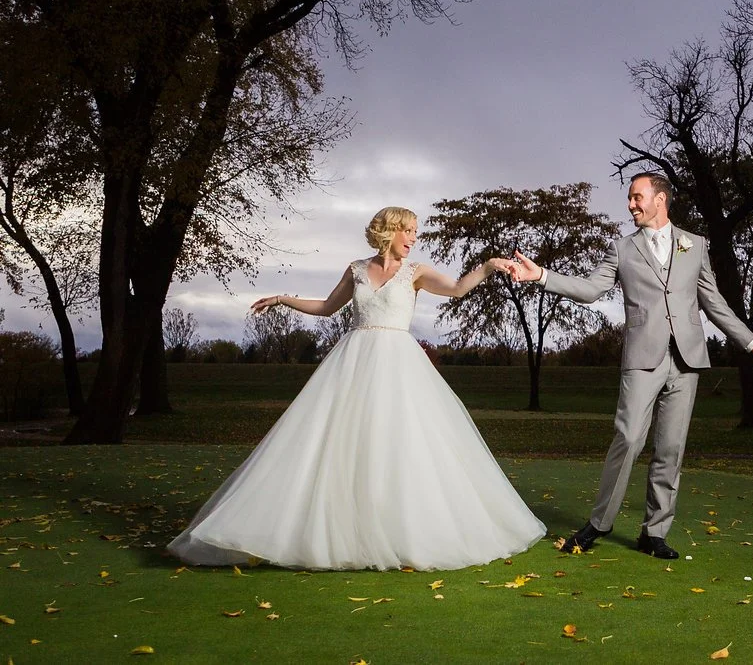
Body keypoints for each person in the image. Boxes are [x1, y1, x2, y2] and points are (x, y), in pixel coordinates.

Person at [168, 206, 546, 571]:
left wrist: (489, 266)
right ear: (390, 230)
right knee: (339, 445)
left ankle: (403, 534)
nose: (413, 238)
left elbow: (459, 289)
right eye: (408, 231)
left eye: (415, 232)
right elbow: (328, 307)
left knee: (401, 448)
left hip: (400, 368)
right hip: (352, 364)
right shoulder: (357, 269)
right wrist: (283, 299)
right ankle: (338, 535)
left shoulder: (415, 272)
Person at [509, 172, 753, 560]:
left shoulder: (696, 245)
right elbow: (591, 291)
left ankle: (654, 533)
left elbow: (715, 303)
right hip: (642, 360)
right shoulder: (622, 249)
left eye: (637, 197)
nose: (631, 205)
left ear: (661, 199)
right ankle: (599, 524)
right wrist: (540, 275)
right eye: (629, 198)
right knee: (629, 438)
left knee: (670, 448)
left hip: (686, 361)